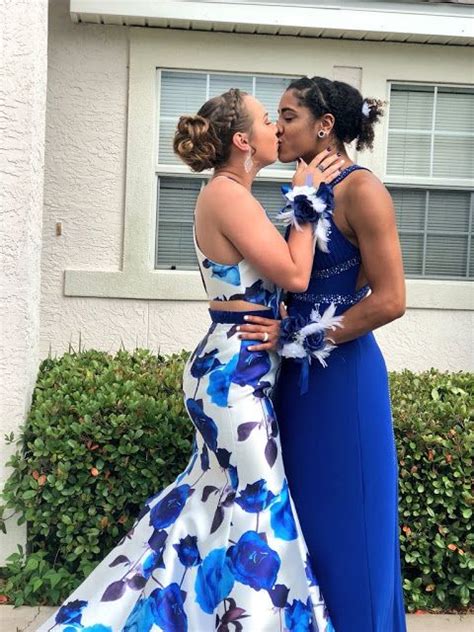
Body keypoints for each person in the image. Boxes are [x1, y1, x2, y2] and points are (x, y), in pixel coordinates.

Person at [37, 88, 343, 632]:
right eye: (268, 120)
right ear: (244, 140)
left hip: (237, 369)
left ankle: (132, 617)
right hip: (231, 380)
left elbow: (272, 288)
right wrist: (305, 198)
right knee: (260, 506)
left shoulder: (232, 195)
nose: (278, 127)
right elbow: (293, 274)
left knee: (201, 507)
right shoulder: (227, 196)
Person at [239, 76, 407, 632]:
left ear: (325, 125)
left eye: (288, 115)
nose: (278, 127)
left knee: (353, 531)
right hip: (295, 387)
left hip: (344, 386)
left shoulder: (362, 191)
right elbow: (297, 281)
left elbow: (390, 298)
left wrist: (307, 337)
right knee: (306, 531)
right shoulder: (302, 187)